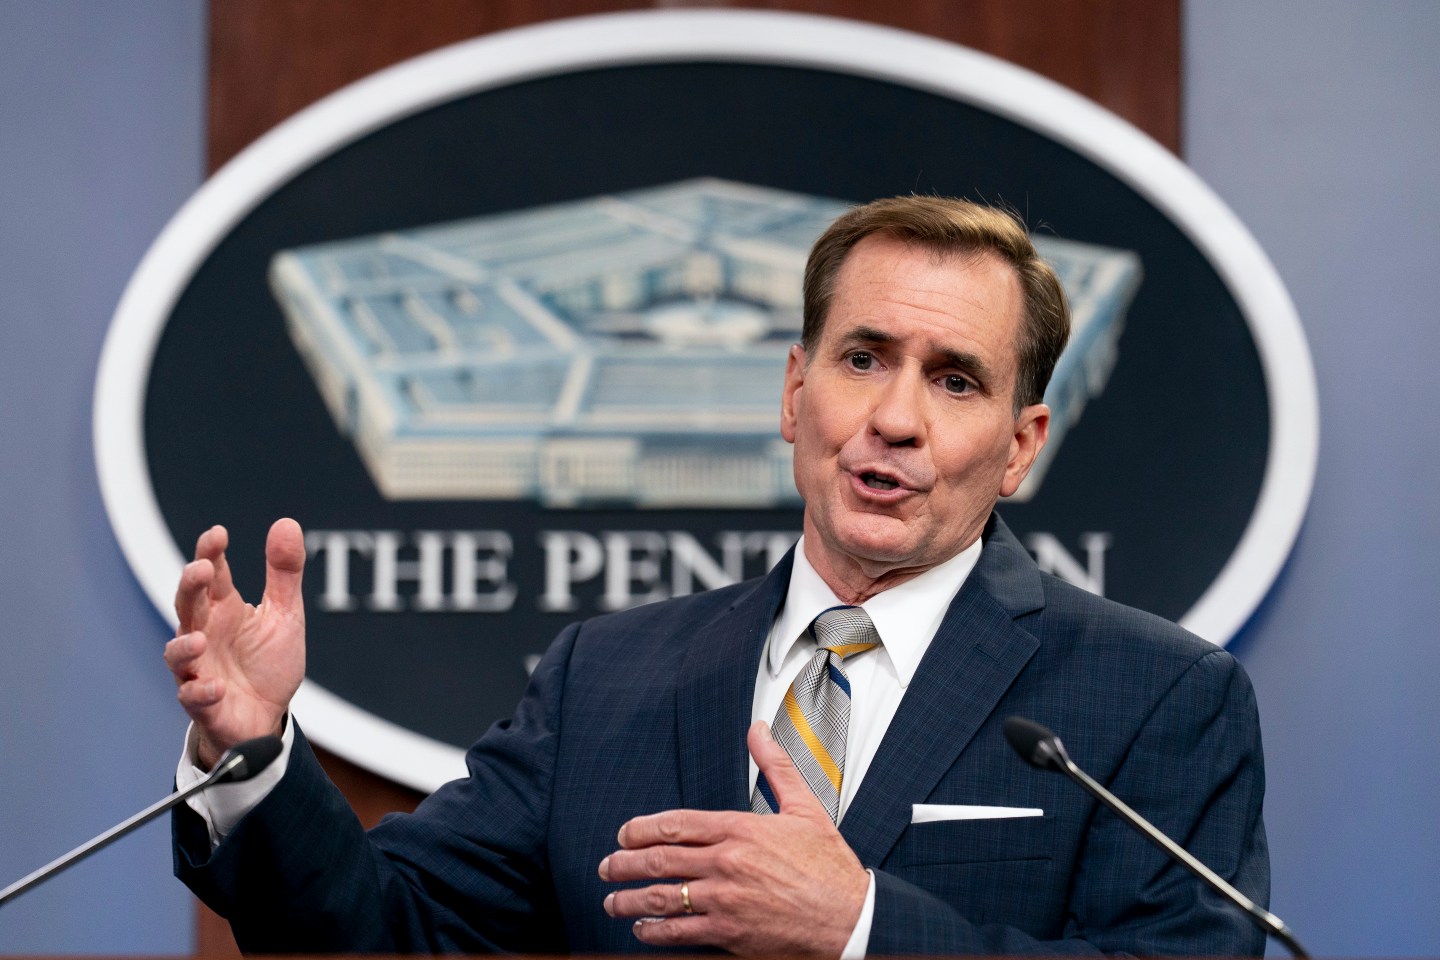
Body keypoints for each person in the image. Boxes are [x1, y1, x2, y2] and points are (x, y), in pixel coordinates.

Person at [166, 195, 1269, 955]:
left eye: (956, 381)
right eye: (864, 358)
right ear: (796, 392)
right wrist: (253, 749)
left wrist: (861, 929)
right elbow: (379, 928)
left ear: (1023, 445)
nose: (894, 418)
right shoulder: (610, 679)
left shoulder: (1154, 695)